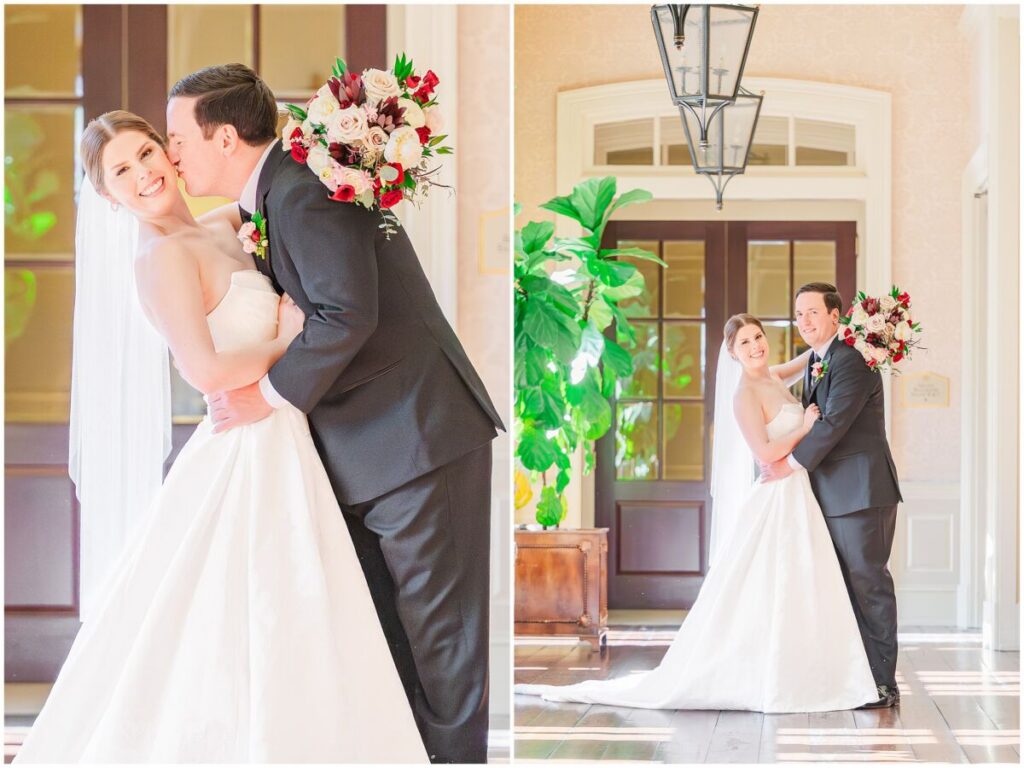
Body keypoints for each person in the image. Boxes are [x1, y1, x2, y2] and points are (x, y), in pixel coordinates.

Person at [15, 111, 427, 763]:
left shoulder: (225, 226)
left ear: (169, 150)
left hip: (287, 433)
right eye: (121, 171)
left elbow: (278, 185)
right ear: (106, 196)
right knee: (254, 605)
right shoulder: (159, 260)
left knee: (307, 607)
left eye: (147, 152)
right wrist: (289, 340)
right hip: (245, 442)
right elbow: (204, 370)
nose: (144, 173)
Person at [165, 63, 504, 763]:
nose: (172, 154)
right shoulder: (282, 191)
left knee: (443, 643)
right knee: (390, 640)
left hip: (416, 438)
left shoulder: (303, 189)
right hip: (370, 451)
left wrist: (266, 396)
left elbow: (348, 314)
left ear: (224, 138)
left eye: (178, 137)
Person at [514, 314, 878, 713]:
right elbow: (766, 454)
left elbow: (816, 354)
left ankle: (816, 670)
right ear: (732, 353)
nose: (756, 346)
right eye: (745, 343)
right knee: (775, 581)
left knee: (805, 580)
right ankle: (770, 674)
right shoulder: (744, 395)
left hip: (799, 495)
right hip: (777, 495)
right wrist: (805, 428)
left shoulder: (773, 376)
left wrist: (861, 331)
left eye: (758, 337)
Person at [760, 282, 903, 709]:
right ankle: (857, 680)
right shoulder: (819, 361)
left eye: (812, 312)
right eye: (798, 313)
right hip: (830, 495)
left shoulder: (852, 361)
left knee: (869, 585)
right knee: (843, 590)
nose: (803, 320)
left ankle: (883, 684)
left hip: (861, 493)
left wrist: (787, 465)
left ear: (835, 317)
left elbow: (833, 424)